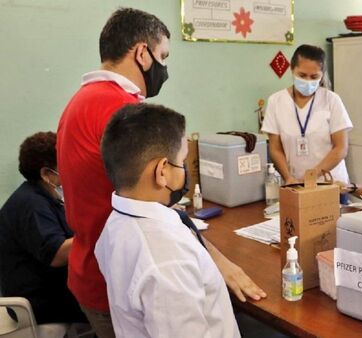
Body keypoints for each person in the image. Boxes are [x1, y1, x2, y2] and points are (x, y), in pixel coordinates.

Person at [56, 8, 264, 337]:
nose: (164, 68)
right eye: (163, 56)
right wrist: (216, 261)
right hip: (124, 275)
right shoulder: (123, 112)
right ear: (142, 53)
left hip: (98, 265)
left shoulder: (81, 100)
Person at [95, 103, 239, 337]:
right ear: (162, 171)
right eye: (182, 161)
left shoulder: (116, 222)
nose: (184, 169)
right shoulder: (167, 260)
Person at [0, 132, 86, 324]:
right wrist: (97, 233)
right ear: (46, 174)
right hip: (39, 301)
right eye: (64, 163)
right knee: (107, 303)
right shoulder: (32, 205)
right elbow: (56, 254)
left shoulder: (45, 197)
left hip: (51, 289)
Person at [261, 44, 353, 185]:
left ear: (322, 75)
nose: (308, 81)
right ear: (292, 69)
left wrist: (313, 175)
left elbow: (341, 148)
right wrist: (288, 177)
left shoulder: (331, 100)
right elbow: (275, 148)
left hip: (331, 183)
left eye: (314, 76)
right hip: (295, 183)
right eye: (302, 75)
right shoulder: (276, 101)